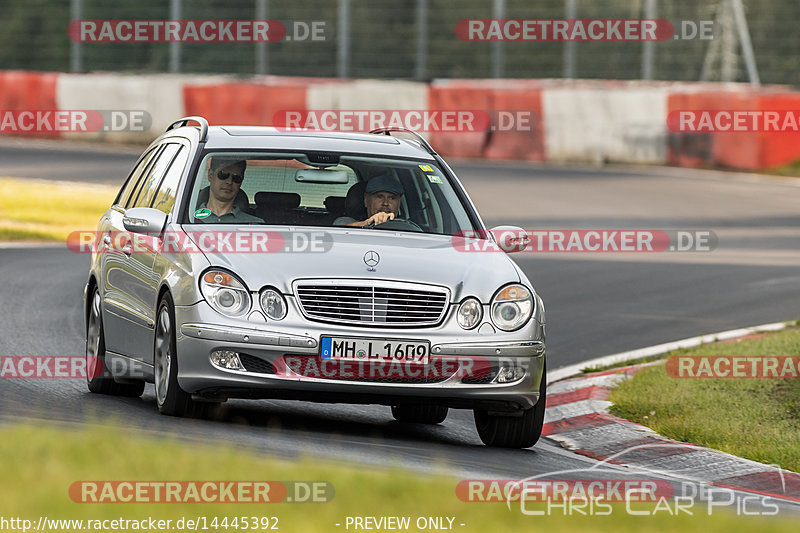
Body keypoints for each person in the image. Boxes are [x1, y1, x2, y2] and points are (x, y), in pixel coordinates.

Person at [194, 158, 263, 223]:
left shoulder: (255, 225)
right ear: (210, 175)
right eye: (223, 174)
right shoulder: (189, 218)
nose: (229, 182)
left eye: (236, 178)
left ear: (241, 182)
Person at [335, 174, 404, 227]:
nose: (385, 203)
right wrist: (368, 223)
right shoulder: (346, 221)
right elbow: (337, 231)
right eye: (379, 197)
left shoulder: (408, 228)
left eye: (392, 198)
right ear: (366, 200)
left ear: (399, 203)